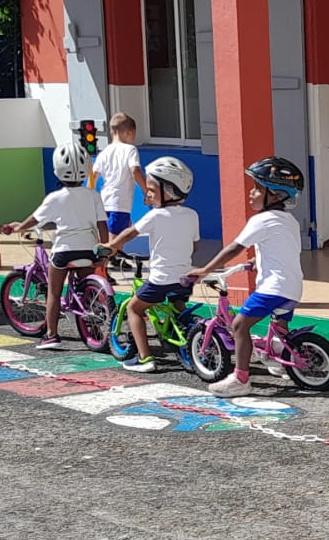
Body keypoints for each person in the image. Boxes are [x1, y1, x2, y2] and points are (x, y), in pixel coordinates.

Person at [184, 156, 307, 397]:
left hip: (273, 287)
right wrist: (256, 262)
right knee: (278, 327)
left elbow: (234, 248)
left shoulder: (261, 219)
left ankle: (240, 378)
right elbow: (283, 249)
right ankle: (281, 360)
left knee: (240, 325)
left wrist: (205, 269)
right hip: (292, 287)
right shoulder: (289, 221)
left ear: (275, 195)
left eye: (258, 188)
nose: (251, 193)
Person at [2, 143, 109, 350]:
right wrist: (104, 249)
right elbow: (102, 225)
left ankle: (51, 335)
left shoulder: (54, 198)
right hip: (88, 250)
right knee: (87, 290)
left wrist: (17, 228)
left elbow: (34, 219)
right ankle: (94, 330)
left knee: (53, 293)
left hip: (63, 253)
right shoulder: (93, 196)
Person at [105, 157, 200, 372]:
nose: (147, 195)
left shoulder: (155, 216)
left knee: (134, 308)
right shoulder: (192, 215)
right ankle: (183, 340)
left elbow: (130, 233)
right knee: (178, 307)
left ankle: (145, 358)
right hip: (186, 276)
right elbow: (194, 247)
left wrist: (112, 245)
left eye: (151, 190)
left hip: (161, 280)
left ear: (169, 190)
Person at [90, 113, 144, 245]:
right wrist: (146, 189)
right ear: (129, 132)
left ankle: (112, 260)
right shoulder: (130, 150)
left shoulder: (104, 152)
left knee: (108, 236)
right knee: (113, 242)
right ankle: (105, 263)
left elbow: (93, 175)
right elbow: (135, 170)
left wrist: (88, 193)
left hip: (104, 202)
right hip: (119, 203)